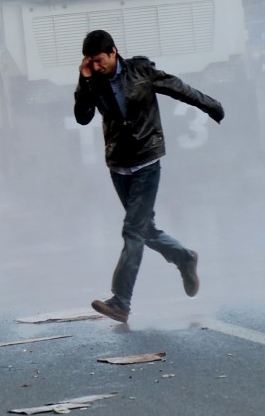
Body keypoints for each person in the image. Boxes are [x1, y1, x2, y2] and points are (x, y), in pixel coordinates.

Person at [74, 29, 225, 323]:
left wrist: (210, 106)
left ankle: (121, 301)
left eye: (99, 60)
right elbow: (82, 117)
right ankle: (184, 257)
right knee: (144, 229)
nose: (95, 66)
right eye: (90, 62)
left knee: (132, 230)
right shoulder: (92, 80)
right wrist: (84, 80)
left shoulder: (141, 71)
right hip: (118, 166)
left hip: (146, 161)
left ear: (113, 52)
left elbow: (178, 88)